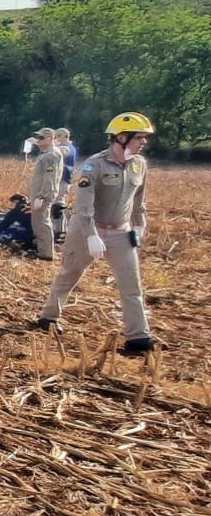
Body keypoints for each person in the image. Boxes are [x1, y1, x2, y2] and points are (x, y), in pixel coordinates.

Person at [35, 113, 157, 355]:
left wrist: (139, 226)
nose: (143, 142)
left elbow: (138, 201)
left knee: (132, 286)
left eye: (144, 138)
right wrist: (91, 235)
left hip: (121, 233)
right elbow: (83, 205)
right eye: (139, 137)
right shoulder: (95, 165)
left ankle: (138, 336)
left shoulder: (139, 165)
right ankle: (49, 316)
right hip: (86, 230)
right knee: (69, 273)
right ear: (121, 138)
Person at [25, 128, 63, 261]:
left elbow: (50, 179)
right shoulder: (48, 152)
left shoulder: (51, 155)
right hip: (40, 194)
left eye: (42, 138)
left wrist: (42, 196)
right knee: (39, 223)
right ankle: (43, 249)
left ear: (50, 139)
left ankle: (45, 253)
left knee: (42, 223)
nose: (39, 140)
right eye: (38, 138)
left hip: (43, 195)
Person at [51, 127, 77, 242]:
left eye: (57, 136)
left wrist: (50, 144)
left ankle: (61, 232)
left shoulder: (68, 148)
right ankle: (58, 230)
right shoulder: (65, 147)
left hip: (63, 181)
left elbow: (61, 151)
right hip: (60, 180)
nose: (56, 139)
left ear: (65, 137)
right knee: (55, 206)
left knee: (58, 207)